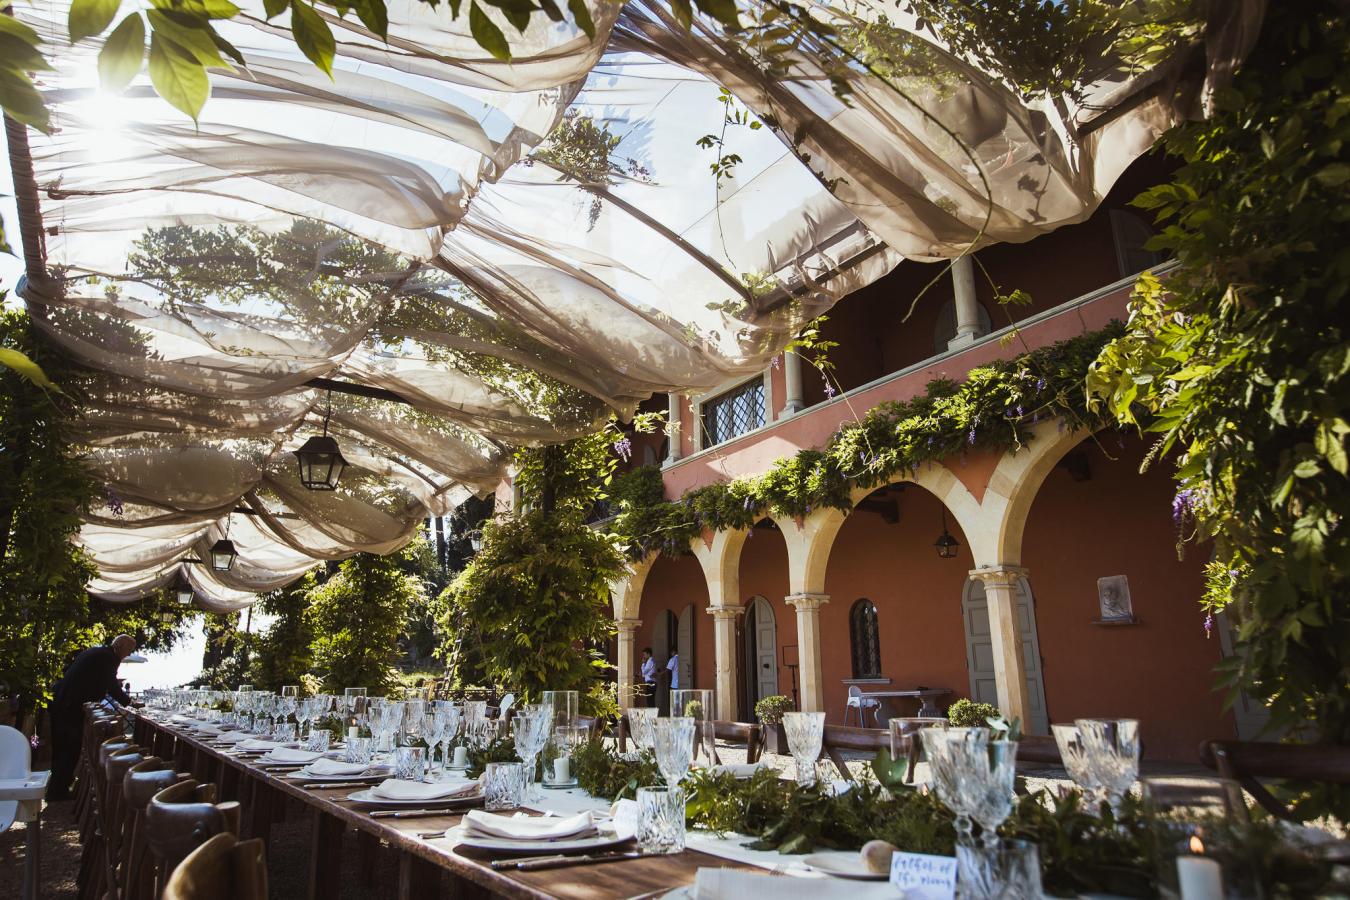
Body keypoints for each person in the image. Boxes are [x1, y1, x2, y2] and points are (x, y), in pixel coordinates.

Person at [47, 634, 137, 800]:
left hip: (62, 703)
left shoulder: (100, 653)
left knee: (63, 749)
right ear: (121, 647)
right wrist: (129, 702)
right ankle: (57, 792)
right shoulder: (108, 657)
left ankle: (56, 789)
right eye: (129, 650)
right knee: (69, 749)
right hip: (69, 707)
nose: (129, 654)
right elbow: (111, 684)